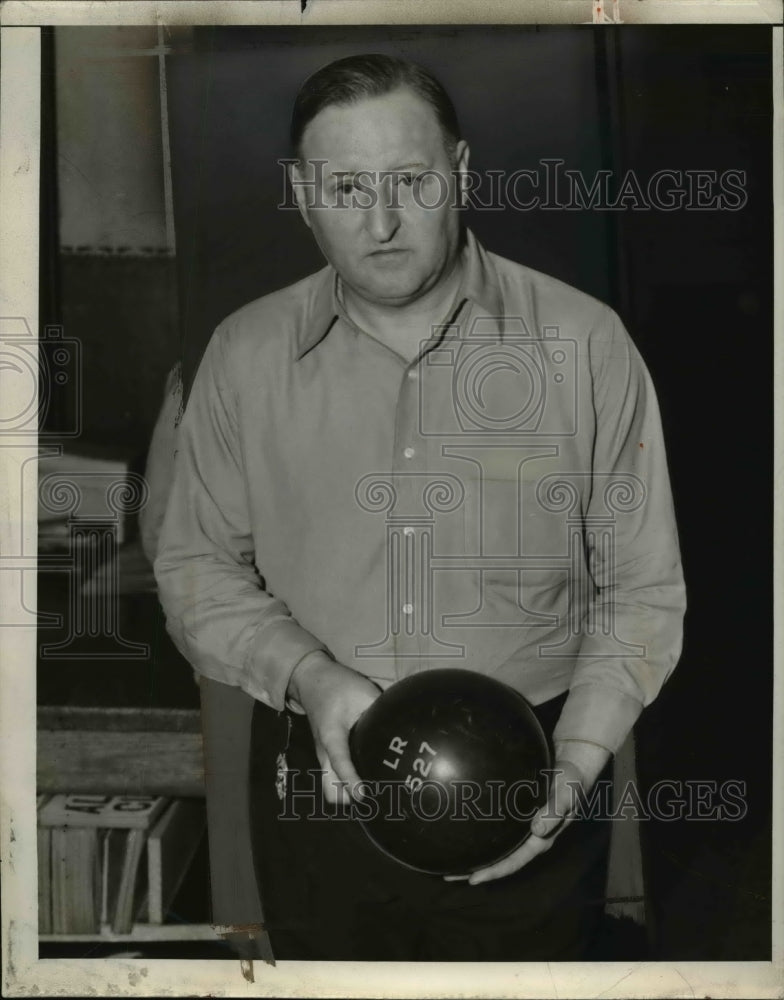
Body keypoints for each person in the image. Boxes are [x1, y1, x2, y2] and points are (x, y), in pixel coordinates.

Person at [155, 53, 686, 961]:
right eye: (346, 187)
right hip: (320, 789)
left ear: (461, 171)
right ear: (301, 193)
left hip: (535, 778)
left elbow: (642, 588)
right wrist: (308, 674)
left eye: (410, 180)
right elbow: (195, 567)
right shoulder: (243, 356)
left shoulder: (586, 343)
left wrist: (576, 761)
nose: (382, 220)